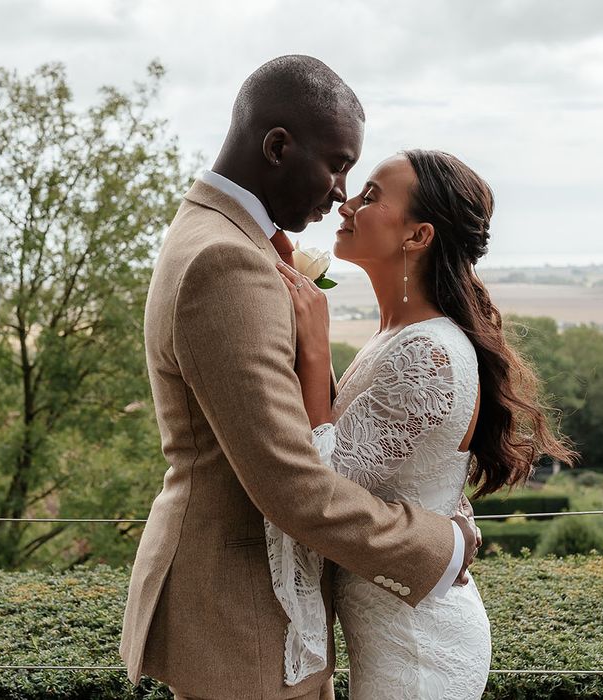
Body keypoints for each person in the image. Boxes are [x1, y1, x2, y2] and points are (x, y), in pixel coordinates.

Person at [119, 57, 479, 700]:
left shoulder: (231, 241)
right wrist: (441, 543)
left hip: (263, 603)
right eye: (339, 164)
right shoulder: (228, 259)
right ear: (278, 146)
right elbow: (291, 482)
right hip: (243, 618)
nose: (342, 192)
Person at [272, 150, 577, 699]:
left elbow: (322, 489)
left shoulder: (428, 353)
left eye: (371, 196)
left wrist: (315, 352)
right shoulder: (399, 337)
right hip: (395, 629)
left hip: (416, 650)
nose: (347, 201)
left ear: (418, 236)